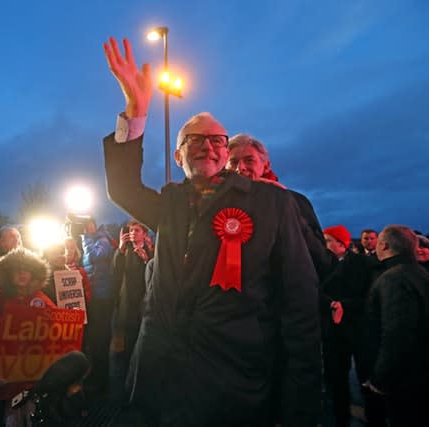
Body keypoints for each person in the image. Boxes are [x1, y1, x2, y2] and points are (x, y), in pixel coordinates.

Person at [102, 36, 321, 425]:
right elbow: (122, 188)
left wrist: (300, 407)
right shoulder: (169, 203)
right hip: (158, 387)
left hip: (234, 388)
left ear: (226, 151)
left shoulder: (272, 204)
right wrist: (135, 112)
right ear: (177, 155)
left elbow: (300, 307)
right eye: (194, 140)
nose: (208, 146)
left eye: (217, 139)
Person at [226, 133, 335, 280]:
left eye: (249, 160)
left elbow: (322, 260)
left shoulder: (295, 201)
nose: (240, 168)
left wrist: (291, 214)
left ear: (266, 165)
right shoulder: (217, 205)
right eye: (233, 162)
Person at [0, 248, 54, 426]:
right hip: (4, 382)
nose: (22, 273)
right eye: (17, 269)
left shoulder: (43, 301)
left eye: (27, 268)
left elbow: (56, 336)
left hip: (34, 380)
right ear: (7, 274)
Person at [363, 225, 429, 426]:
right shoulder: (419, 273)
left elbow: (396, 334)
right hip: (421, 374)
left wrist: (379, 378)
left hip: (405, 380)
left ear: (383, 245)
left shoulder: (393, 279)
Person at [320, 225, 377, 427]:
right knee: (337, 381)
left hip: (358, 330)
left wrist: (344, 305)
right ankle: (340, 418)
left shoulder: (363, 263)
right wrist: (331, 303)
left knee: (365, 379)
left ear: (342, 243)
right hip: (334, 332)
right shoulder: (323, 264)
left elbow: (370, 294)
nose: (324, 245)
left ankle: (374, 418)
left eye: (328, 240)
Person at [109, 219, 154, 401]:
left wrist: (146, 260)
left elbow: (156, 276)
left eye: (137, 230)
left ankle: (142, 384)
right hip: (127, 303)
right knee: (126, 345)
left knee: (143, 343)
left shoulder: (151, 251)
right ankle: (123, 387)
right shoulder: (124, 251)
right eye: (130, 230)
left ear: (144, 233)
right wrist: (120, 248)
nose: (133, 233)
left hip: (145, 304)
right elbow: (115, 272)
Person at [80, 217, 115, 396]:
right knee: (93, 341)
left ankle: (102, 381)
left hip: (102, 297)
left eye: (88, 225)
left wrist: (86, 236)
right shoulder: (91, 240)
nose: (85, 228)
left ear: (94, 225)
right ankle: (95, 374)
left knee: (100, 341)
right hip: (92, 297)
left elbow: (95, 256)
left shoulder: (103, 240)